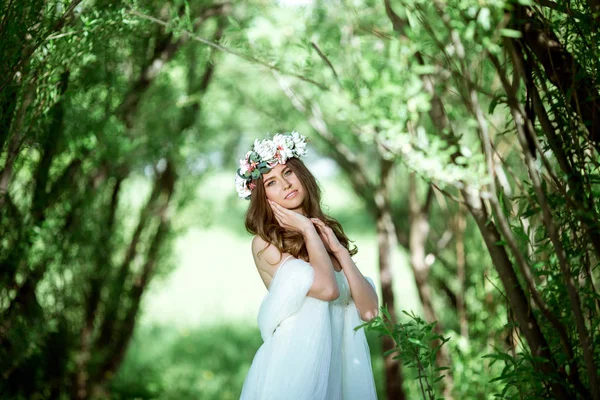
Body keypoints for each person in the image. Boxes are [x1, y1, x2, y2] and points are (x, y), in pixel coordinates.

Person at [237, 132, 379, 400]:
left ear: (301, 174)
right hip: (295, 371)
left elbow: (370, 311)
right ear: (262, 197)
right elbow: (327, 289)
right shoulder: (266, 243)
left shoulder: (328, 235)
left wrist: (338, 250)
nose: (286, 185)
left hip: (340, 373)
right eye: (272, 183)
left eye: (288, 172)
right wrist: (305, 228)